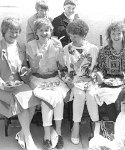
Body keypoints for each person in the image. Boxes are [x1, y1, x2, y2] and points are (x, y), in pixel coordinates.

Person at [26, 18, 69, 149]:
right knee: (46, 99)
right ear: (36, 32)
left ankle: (59, 134)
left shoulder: (56, 43)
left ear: (51, 31)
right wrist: (37, 60)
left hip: (54, 78)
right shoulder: (30, 45)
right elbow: (32, 70)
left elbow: (62, 66)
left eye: (47, 30)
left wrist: (60, 52)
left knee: (59, 98)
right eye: (41, 30)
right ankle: (46, 136)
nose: (45, 33)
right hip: (37, 78)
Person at [0, 17, 40, 150]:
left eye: (17, 31)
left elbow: (23, 66)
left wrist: (24, 70)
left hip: (18, 82)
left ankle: (22, 133)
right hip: (3, 86)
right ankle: (28, 139)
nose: (14, 34)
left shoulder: (20, 46)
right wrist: (2, 84)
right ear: (4, 31)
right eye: (11, 31)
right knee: (22, 102)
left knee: (33, 97)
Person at [62, 19, 99, 145]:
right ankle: (76, 127)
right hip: (74, 82)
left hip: (90, 81)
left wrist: (94, 76)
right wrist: (67, 81)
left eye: (75, 36)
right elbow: (62, 69)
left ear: (83, 35)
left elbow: (98, 68)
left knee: (91, 95)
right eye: (70, 35)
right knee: (78, 95)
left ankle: (95, 127)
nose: (72, 38)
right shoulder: (66, 48)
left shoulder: (93, 49)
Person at [94, 21, 125, 122]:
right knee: (106, 94)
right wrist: (100, 75)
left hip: (124, 82)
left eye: (119, 33)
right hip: (107, 82)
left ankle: (122, 122)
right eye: (113, 33)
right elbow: (99, 67)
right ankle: (114, 122)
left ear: (123, 35)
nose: (116, 36)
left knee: (122, 95)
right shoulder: (104, 51)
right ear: (109, 35)